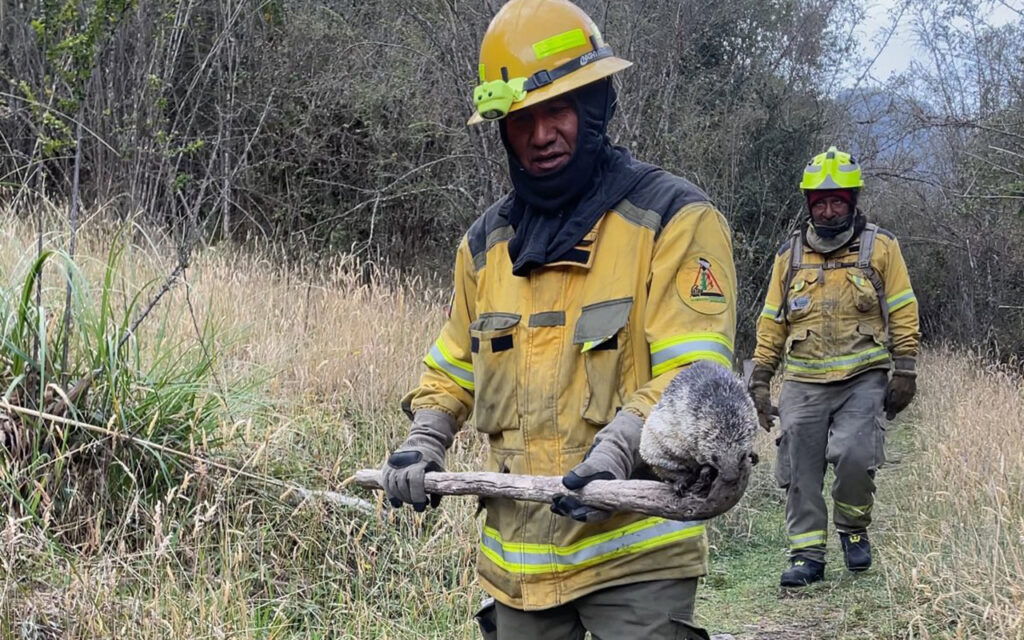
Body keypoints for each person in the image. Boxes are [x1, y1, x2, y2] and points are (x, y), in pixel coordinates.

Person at [380, 0, 736, 637]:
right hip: (518, 568)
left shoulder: (675, 220)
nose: (539, 135)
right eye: (520, 119)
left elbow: (695, 377)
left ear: (596, 107)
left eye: (558, 110)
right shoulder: (483, 245)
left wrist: (617, 454)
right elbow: (454, 365)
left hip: (636, 556)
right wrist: (424, 440)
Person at [749, 146, 920, 587]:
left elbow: (902, 308)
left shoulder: (880, 247)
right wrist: (761, 379)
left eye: (837, 201)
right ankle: (807, 555)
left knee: (853, 456)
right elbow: (772, 321)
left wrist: (905, 369)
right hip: (803, 380)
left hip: (863, 378)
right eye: (820, 202)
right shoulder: (789, 258)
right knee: (800, 470)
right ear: (809, 205)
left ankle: (854, 529)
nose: (828, 210)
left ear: (852, 201)